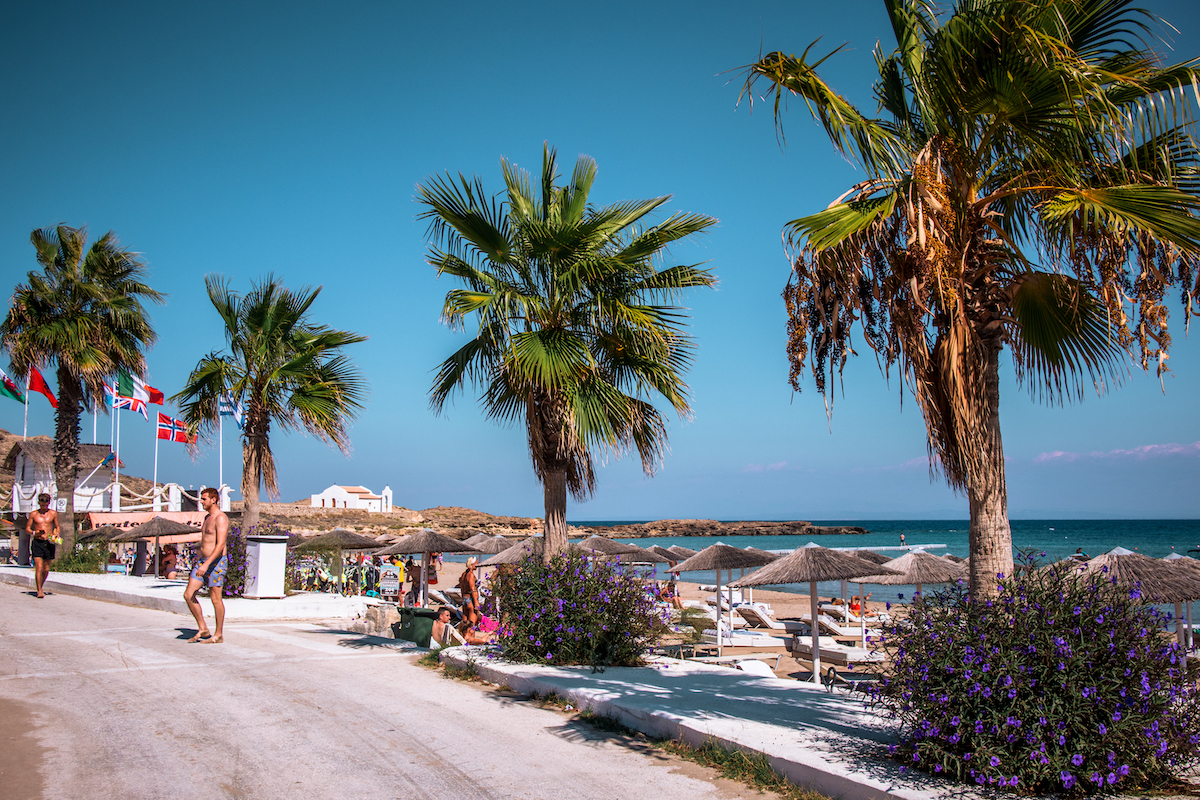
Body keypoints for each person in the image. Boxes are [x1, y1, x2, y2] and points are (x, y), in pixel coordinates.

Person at [183, 487, 228, 643]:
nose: (201, 502)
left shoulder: (220, 518)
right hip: (203, 561)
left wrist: (207, 564)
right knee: (188, 595)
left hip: (216, 563)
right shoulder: (207, 517)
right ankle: (203, 628)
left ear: (213, 500)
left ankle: (218, 634)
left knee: (216, 599)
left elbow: (220, 544)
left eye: (204, 499)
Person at [27, 493, 59, 599]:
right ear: (39, 503)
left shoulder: (53, 513)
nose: (44, 507)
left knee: (46, 568)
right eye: (42, 505)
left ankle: (40, 585)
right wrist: (34, 533)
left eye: (45, 505)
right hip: (37, 542)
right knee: (39, 567)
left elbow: (57, 526)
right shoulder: (33, 514)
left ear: (48, 503)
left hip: (49, 542)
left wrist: (56, 533)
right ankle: (39, 590)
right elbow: (27, 528)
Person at [458, 557, 480, 625]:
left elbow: (461, 587)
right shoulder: (471, 575)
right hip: (470, 598)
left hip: (465, 598)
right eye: (476, 563)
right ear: (472, 564)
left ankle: (463, 631)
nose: (477, 565)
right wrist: (476, 602)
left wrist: (463, 597)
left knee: (465, 623)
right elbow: (472, 589)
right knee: (471, 624)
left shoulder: (464, 574)